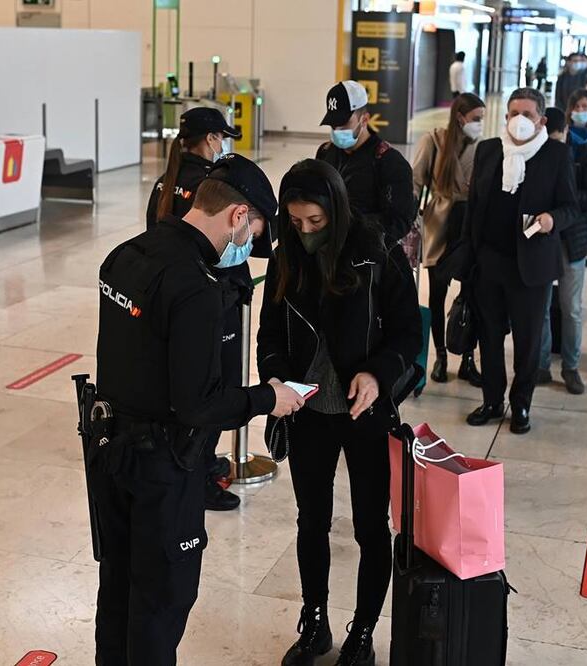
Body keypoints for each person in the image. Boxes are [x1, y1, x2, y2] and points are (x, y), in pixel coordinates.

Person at [90, 155, 306, 665]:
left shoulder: (125, 254)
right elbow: (196, 403)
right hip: (163, 469)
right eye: (252, 233)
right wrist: (266, 398)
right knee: (162, 600)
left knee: (117, 587)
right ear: (236, 216)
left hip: (108, 452)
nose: (248, 248)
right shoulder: (196, 288)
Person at [257, 159, 422, 666]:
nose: (305, 232)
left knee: (371, 528)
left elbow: (408, 332)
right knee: (312, 521)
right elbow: (268, 334)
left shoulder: (375, 253)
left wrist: (377, 373)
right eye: (297, 222)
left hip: (364, 412)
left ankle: (364, 629)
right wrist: (277, 379)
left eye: (316, 222)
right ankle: (315, 621)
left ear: (336, 211)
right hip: (307, 411)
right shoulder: (286, 257)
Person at [144, 107, 271, 513]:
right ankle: (200, 476)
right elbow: (220, 253)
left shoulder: (165, 182)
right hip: (214, 304)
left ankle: (197, 461)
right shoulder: (211, 187)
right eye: (221, 137)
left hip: (172, 299)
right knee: (212, 391)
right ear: (213, 139)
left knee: (183, 383)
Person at [462, 87, 577, 434]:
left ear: (541, 120)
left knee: (527, 341)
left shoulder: (556, 154)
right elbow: (473, 207)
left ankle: (521, 404)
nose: (519, 120)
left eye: (527, 114)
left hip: (532, 266)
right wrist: (469, 255)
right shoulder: (488, 150)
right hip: (490, 262)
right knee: (490, 337)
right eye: (514, 113)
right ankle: (492, 400)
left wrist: (551, 220)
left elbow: (571, 207)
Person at [411, 92, 486, 387]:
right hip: (440, 222)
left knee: (472, 294)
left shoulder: (484, 147)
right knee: (438, 294)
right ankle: (440, 357)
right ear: (460, 117)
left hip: (471, 226)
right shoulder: (435, 140)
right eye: (476, 119)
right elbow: (415, 180)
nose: (480, 124)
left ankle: (467, 357)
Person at [537, 105, 587, 394]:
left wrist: (565, 200)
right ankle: (540, 365)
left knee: (571, 308)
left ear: (566, 132)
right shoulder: (534, 153)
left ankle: (570, 367)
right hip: (541, 240)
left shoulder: (582, 152)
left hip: (572, 240)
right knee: (539, 308)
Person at [317, 81, 415, 245]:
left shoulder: (389, 162)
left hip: (368, 253)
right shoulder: (326, 153)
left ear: (365, 120)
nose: (337, 131)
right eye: (333, 125)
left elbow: (399, 222)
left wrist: (353, 228)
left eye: (344, 124)